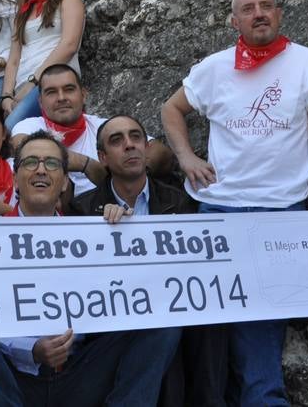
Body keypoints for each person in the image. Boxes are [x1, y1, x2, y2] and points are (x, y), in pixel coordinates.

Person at [161, 0, 308, 406]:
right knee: (197, 323)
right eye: (248, 9)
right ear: (234, 21)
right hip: (217, 208)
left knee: (261, 327)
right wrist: (186, 156)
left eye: (266, 6)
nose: (259, 14)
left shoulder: (307, 63)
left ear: (280, 14)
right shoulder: (214, 68)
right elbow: (171, 109)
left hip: (280, 214)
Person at [0, 132, 181, 407]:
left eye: (52, 164)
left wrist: (123, 236)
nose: (41, 170)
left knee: (163, 320)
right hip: (14, 380)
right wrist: (31, 350)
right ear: (15, 178)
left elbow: (130, 298)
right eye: (31, 162)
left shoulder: (93, 233)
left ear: (65, 181)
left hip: (80, 372)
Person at [72, 113, 221, 407]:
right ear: (102, 157)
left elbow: (197, 269)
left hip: (171, 308)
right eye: (117, 141)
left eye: (135, 137)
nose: (129, 146)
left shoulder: (179, 201)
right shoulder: (84, 209)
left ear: (146, 147)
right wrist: (105, 235)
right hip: (114, 319)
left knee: (212, 319)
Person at [0, 0, 85, 130]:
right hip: (22, 89)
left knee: (10, 129)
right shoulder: (21, 11)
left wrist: (34, 82)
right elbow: (14, 59)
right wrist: (6, 95)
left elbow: (69, 45)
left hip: (52, 82)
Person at [8, 64, 110, 201]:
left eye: (69, 89)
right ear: (40, 102)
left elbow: (146, 151)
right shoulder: (28, 126)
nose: (61, 98)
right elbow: (25, 149)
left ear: (83, 95)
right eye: (51, 92)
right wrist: (87, 165)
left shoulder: (104, 128)